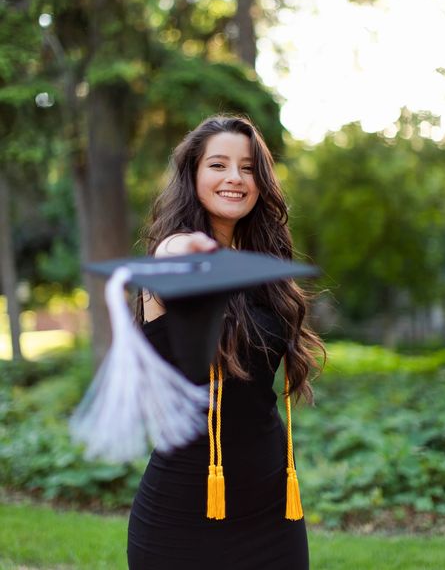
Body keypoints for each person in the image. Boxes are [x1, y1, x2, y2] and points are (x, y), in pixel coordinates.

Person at [127, 114, 325, 570]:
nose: (235, 178)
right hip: (184, 512)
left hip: (273, 505)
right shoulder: (173, 254)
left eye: (248, 167)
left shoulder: (262, 266)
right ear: (193, 175)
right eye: (218, 165)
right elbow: (171, 256)